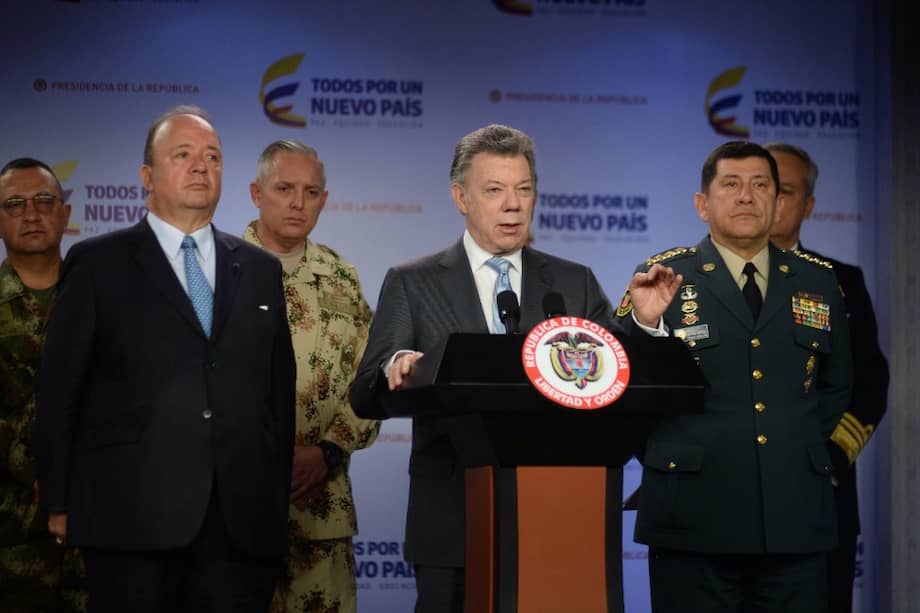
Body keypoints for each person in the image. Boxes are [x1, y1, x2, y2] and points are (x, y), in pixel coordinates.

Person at [347, 124, 675, 612]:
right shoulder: (413, 282)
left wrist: (645, 325)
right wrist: (401, 366)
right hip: (453, 519)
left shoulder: (572, 281)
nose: (514, 204)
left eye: (524, 190)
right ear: (461, 197)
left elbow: (614, 373)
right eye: (495, 190)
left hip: (560, 520)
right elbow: (365, 392)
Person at [34, 106, 297, 613]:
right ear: (147, 177)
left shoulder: (260, 270)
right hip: (129, 523)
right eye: (184, 155)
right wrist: (60, 501)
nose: (202, 166)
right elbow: (61, 390)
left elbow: (277, 399)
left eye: (213, 157)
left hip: (240, 530)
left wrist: (272, 501)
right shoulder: (96, 264)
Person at [616, 141, 853, 613]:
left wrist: (794, 451)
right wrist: (645, 327)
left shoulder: (818, 282)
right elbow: (628, 389)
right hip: (694, 515)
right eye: (731, 184)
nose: (747, 196)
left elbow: (836, 386)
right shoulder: (662, 276)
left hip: (794, 517)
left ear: (778, 202)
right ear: (703, 205)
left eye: (761, 185)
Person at [244, 140, 380, 613]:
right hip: (234, 506)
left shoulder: (342, 276)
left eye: (311, 191)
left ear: (324, 199)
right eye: (284, 188)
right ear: (256, 193)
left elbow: (372, 377)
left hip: (322, 506)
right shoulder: (219, 269)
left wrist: (328, 450)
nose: (298, 202)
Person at [766, 141, 889, 613]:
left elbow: (870, 383)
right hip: (728, 501)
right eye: (763, 186)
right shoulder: (699, 279)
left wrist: (832, 456)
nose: (771, 201)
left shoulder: (841, 282)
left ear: (809, 205)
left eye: (786, 191)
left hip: (820, 498)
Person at [0, 158, 86, 611]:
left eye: (44, 201)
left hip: (98, 528)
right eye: (14, 204)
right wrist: (46, 474)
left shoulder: (104, 298)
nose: (31, 214)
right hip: (13, 536)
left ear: (66, 214)